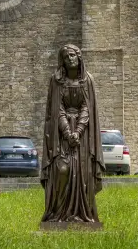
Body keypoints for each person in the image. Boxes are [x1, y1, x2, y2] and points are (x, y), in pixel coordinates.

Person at [40, 43, 105, 224]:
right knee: (63, 169)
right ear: (63, 60)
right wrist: (68, 133)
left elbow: (87, 107)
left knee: (83, 173)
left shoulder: (87, 80)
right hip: (61, 136)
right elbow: (56, 109)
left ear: (79, 57)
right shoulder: (56, 81)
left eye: (73, 55)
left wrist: (78, 131)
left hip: (82, 137)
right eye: (67, 56)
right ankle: (58, 212)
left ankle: (82, 213)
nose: (71, 59)